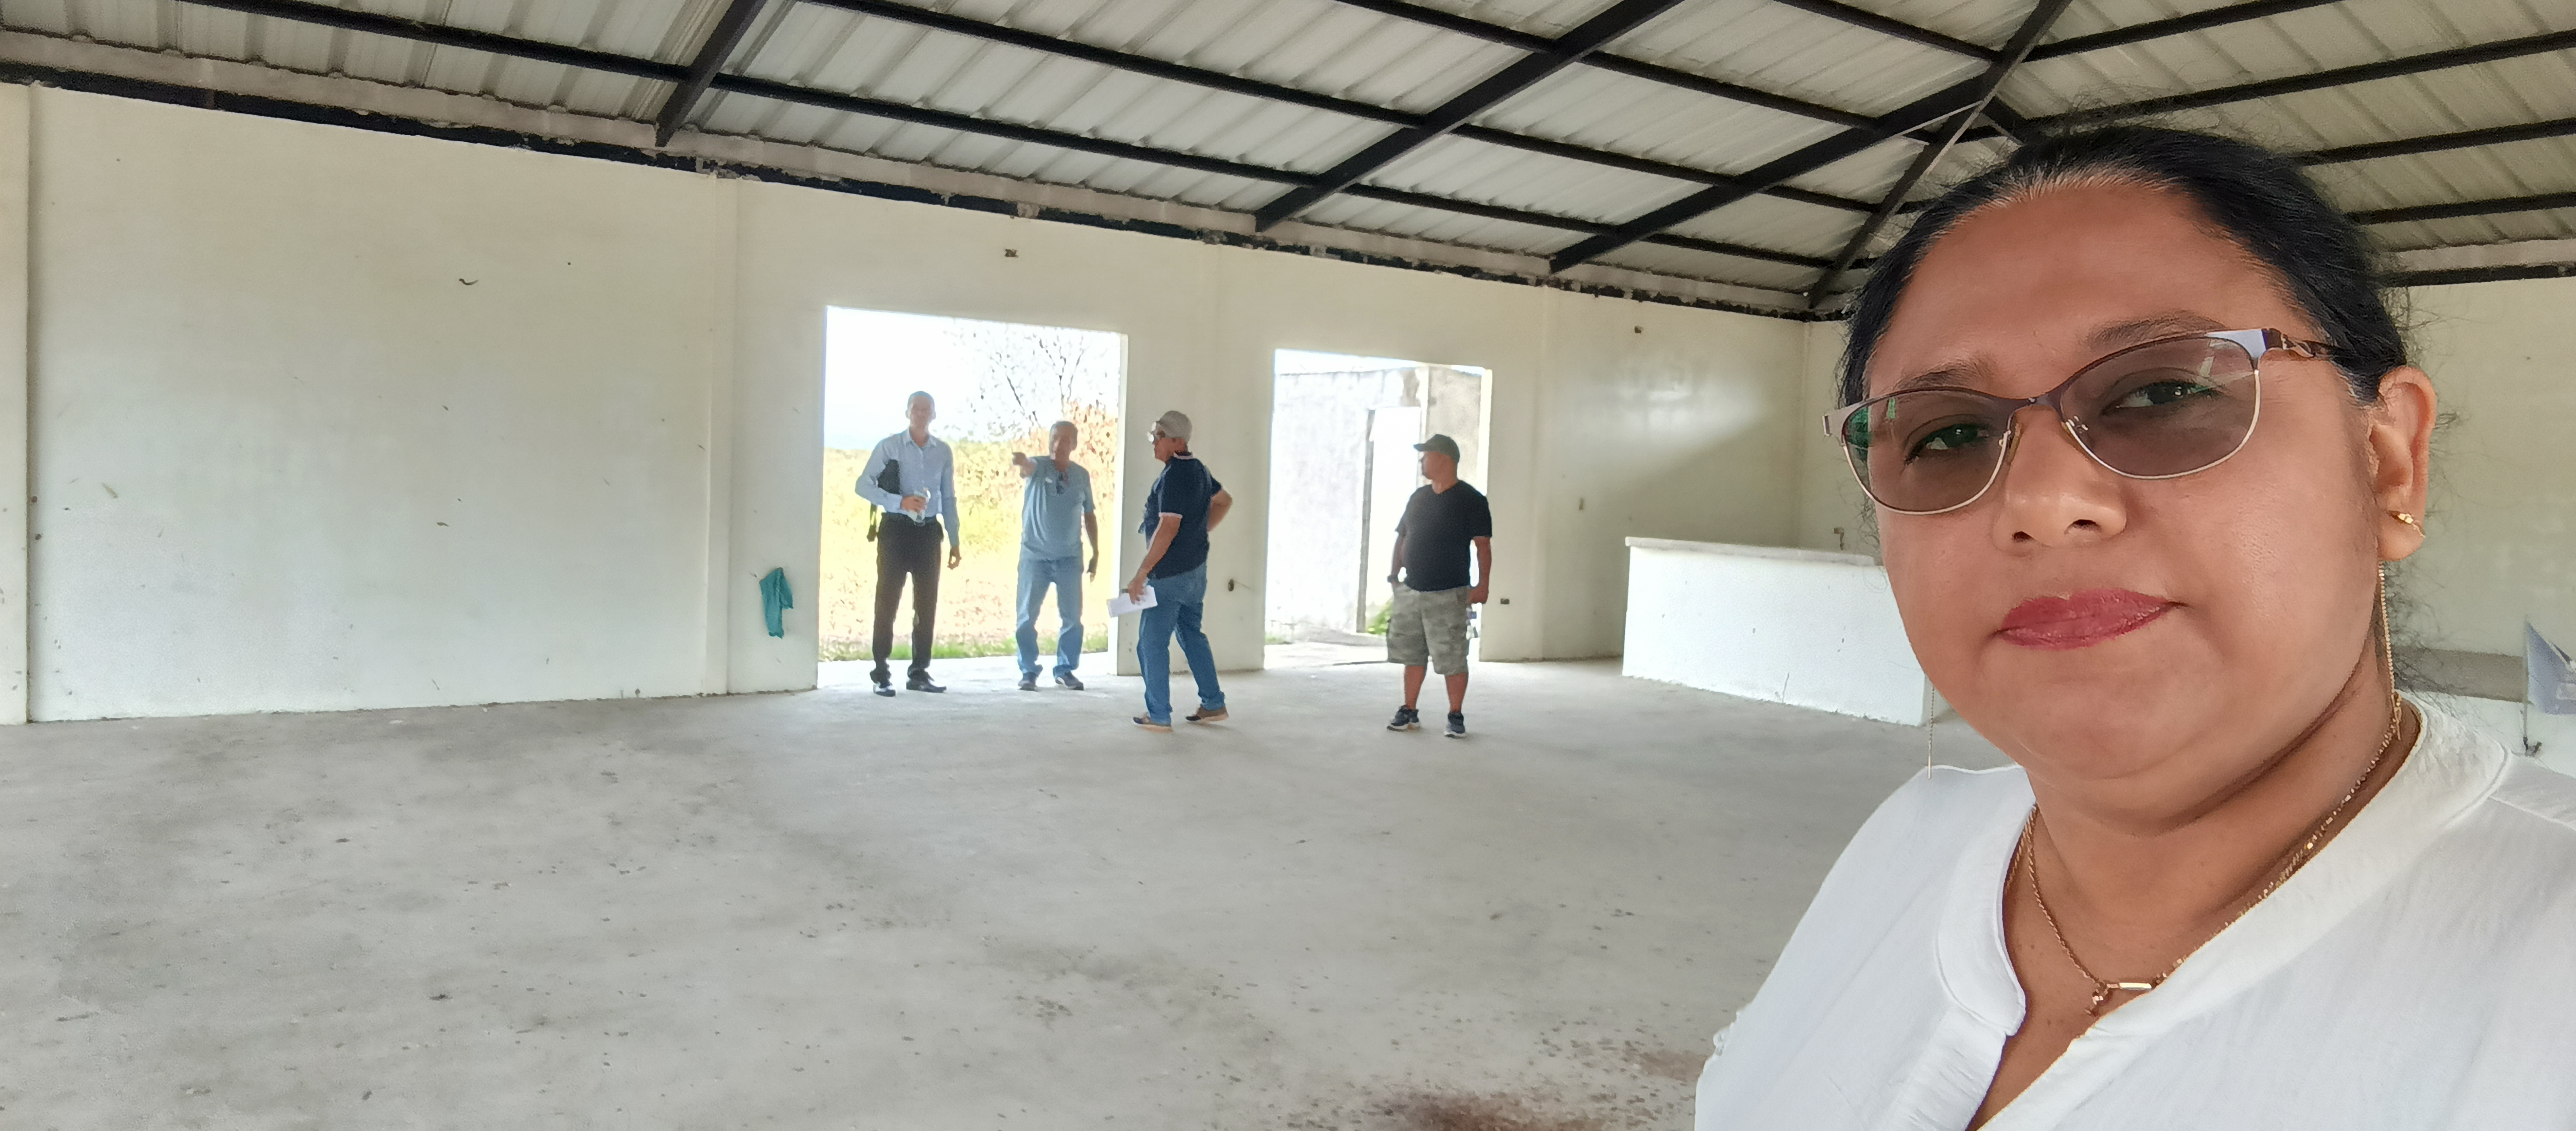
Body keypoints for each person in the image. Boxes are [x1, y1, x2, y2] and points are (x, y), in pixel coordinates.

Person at [1694, 125, 2576, 1129]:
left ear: (2387, 463)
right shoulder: (1911, 844)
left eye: (2162, 392)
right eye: (1948, 434)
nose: (2041, 500)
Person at [1125, 410, 1231, 732]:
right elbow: (1224, 501)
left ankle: (1158, 714)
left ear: (1177, 442)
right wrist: (1198, 533)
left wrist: (1142, 572)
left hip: (1169, 576)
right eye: (1154, 436)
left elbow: (1168, 527)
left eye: (1159, 436)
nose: (1154, 442)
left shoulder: (1174, 477)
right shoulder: (1199, 470)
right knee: (1191, 635)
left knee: (1151, 643)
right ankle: (1213, 703)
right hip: (1195, 574)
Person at [1382, 433, 1491, 738]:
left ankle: (1455, 715)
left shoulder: (1472, 500)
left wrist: (1483, 585)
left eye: (1426, 455)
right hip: (1412, 591)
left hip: (1449, 594)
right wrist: (1394, 577)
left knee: (1452, 657)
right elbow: (1403, 537)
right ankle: (1409, 710)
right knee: (1412, 655)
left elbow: (1483, 547)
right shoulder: (1418, 498)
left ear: (1444, 459)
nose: (1422, 461)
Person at [855, 391, 961, 697]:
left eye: (927, 409)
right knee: (887, 602)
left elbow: (949, 497)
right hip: (895, 531)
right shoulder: (890, 447)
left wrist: (955, 539)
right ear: (907, 412)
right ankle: (881, 674)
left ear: (933, 414)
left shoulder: (943, 452)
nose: (921, 413)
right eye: (916, 408)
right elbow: (863, 485)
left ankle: (919, 673)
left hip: (928, 533)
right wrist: (898, 502)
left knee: (926, 606)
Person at [1011, 421, 1100, 692]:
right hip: (1035, 557)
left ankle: (1065, 670)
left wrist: (1096, 551)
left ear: (1075, 444)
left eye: (1066, 439)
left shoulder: (1081, 476)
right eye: (1055, 438)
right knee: (1026, 618)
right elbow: (1027, 467)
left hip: (1069, 558)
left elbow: (1089, 513)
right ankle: (1028, 671)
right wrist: (1021, 461)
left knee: (1072, 618)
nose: (1059, 444)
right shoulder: (1039, 467)